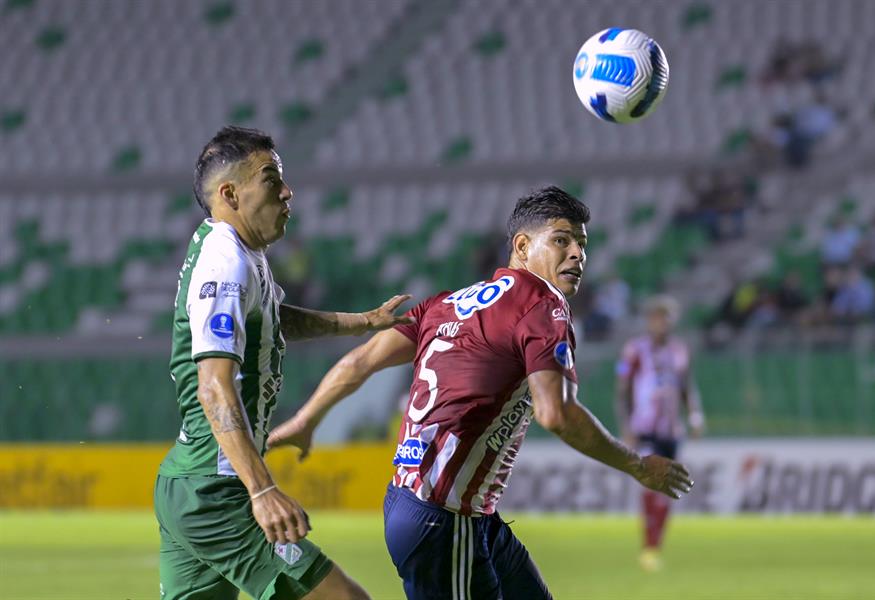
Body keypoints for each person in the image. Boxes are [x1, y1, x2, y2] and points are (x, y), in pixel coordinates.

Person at [267, 186, 694, 600]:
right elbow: (556, 414)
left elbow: (360, 362)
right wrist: (637, 465)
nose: (577, 254)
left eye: (582, 245)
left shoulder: (446, 303)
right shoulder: (543, 305)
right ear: (523, 247)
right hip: (443, 518)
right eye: (562, 240)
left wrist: (307, 421)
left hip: (438, 509)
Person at [154, 126, 413, 600]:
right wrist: (260, 491)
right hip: (218, 491)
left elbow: (271, 319)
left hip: (189, 483)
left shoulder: (235, 251)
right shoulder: (224, 262)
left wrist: (359, 322)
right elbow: (214, 386)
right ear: (230, 193)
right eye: (272, 179)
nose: (288, 192)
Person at [615, 295, 704, 572]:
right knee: (650, 484)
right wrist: (626, 426)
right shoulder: (634, 350)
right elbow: (623, 390)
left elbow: (687, 385)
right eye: (657, 317)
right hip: (644, 429)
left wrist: (695, 415)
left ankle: (655, 545)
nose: (661, 322)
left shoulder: (679, 350)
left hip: (671, 430)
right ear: (649, 320)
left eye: (666, 317)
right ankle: (649, 546)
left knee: (667, 491)